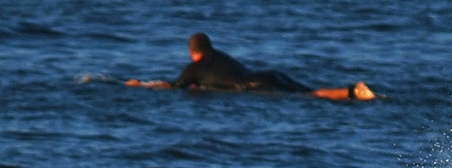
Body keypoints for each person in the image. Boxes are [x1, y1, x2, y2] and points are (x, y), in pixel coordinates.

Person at [125, 33, 377, 101]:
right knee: (309, 90)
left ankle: (352, 93)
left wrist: (142, 85)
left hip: (257, 84)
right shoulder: (220, 55)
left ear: (192, 53)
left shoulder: (196, 67)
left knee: (308, 96)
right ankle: (353, 91)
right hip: (269, 74)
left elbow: (172, 86)